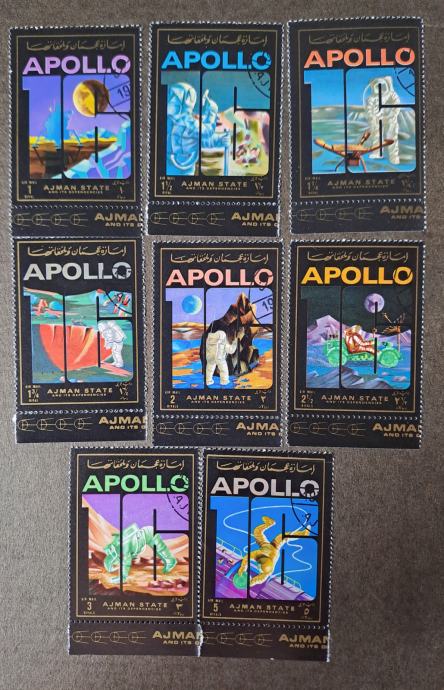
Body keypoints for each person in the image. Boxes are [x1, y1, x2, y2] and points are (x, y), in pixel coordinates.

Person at [237, 516, 310, 587]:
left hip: (266, 546)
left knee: (257, 532)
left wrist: (244, 570)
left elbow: (247, 559)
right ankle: (303, 534)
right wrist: (244, 571)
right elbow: (259, 578)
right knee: (281, 536)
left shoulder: (261, 560)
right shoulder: (261, 559)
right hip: (273, 546)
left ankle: (303, 533)